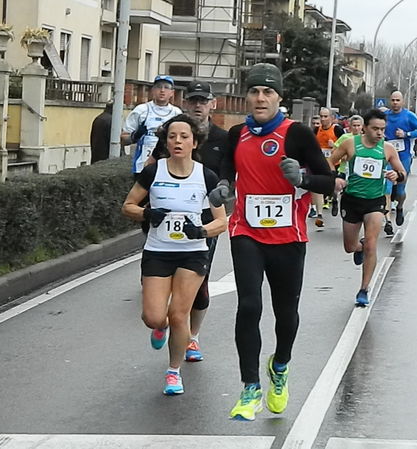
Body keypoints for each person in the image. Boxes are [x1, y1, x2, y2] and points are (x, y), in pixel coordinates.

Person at [208, 63, 335, 421]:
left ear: (279, 97)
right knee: (248, 306)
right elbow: (227, 171)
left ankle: (280, 366)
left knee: (285, 313)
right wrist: (224, 186)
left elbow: (329, 180)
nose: (260, 98)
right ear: (246, 96)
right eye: (254, 92)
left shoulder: (297, 134)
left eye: (268, 92)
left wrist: (304, 179)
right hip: (246, 231)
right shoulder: (236, 134)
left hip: (288, 236)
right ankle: (250, 388)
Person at [121, 114, 227, 395]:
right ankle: (160, 327)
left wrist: (201, 232)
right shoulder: (154, 172)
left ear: (194, 142)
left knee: (179, 315)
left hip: (192, 253)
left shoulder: (206, 176)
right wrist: (147, 213)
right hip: (158, 251)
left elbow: (222, 221)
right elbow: (128, 205)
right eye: (172, 137)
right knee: (155, 317)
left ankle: (173, 371)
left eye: (183, 137)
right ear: (166, 142)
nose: (177, 141)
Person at [150, 80, 229, 362]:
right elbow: (152, 166)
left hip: (205, 221)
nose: (198, 105)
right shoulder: (171, 133)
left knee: (200, 283)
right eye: (193, 100)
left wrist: (225, 188)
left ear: (213, 104)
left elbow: (231, 173)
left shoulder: (223, 138)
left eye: (203, 100)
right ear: (186, 103)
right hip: (166, 218)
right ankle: (161, 321)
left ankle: (192, 336)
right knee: (162, 283)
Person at [329, 109, 406, 306]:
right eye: (375, 129)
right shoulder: (350, 144)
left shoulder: (387, 149)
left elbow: (401, 171)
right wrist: (336, 178)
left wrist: (397, 176)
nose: (380, 133)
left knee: (372, 243)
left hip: (375, 201)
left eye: (382, 129)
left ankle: (364, 289)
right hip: (352, 200)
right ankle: (358, 247)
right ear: (364, 128)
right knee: (349, 247)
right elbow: (330, 162)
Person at [121, 75, 182, 176]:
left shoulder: (177, 113)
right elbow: (123, 139)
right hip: (142, 167)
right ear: (153, 90)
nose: (162, 90)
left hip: (168, 168)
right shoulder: (141, 110)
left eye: (166, 87)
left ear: (172, 93)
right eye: (159, 87)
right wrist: (135, 136)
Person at [384, 91, 417, 230]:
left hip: (403, 156)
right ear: (390, 101)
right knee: (387, 188)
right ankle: (388, 221)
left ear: (402, 102)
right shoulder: (385, 116)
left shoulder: (409, 116)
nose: (395, 102)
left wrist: (406, 134)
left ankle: (400, 206)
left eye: (398, 100)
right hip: (388, 156)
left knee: (400, 190)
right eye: (393, 100)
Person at [313, 107, 344, 227]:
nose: (323, 119)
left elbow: (345, 144)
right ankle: (319, 214)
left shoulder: (337, 129)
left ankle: (335, 199)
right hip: (321, 163)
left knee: (333, 187)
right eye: (321, 116)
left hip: (334, 163)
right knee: (319, 188)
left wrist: (334, 146)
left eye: (325, 116)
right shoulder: (316, 130)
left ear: (332, 118)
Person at [331, 115, 363, 216]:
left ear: (362, 126)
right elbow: (334, 151)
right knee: (336, 189)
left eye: (358, 125)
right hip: (344, 169)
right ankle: (335, 201)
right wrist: (343, 156)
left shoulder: (364, 139)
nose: (356, 128)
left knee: (350, 194)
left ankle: (348, 211)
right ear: (350, 126)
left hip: (357, 172)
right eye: (354, 125)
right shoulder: (345, 137)